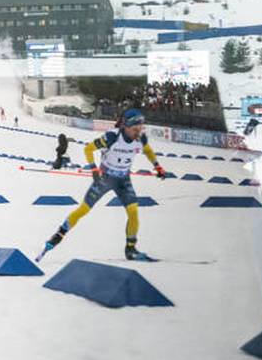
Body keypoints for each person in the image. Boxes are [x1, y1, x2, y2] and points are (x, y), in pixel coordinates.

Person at [36, 108, 167, 262]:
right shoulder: (112, 136)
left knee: (133, 212)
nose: (138, 132)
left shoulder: (141, 138)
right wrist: (94, 169)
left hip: (123, 180)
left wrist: (157, 166)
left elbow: (148, 151)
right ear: (126, 126)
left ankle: (131, 249)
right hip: (105, 178)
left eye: (140, 128)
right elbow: (89, 149)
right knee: (83, 209)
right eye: (134, 129)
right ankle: (57, 236)